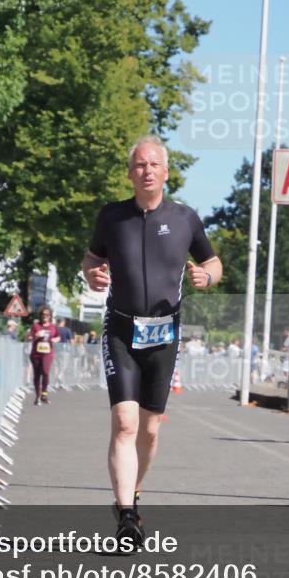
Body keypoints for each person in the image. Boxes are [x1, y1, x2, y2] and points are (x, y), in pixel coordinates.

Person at [82, 134, 222, 546]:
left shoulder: (185, 218)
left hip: (164, 334)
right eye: (139, 165)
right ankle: (126, 514)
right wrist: (92, 274)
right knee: (125, 423)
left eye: (154, 164)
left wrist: (207, 276)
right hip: (121, 329)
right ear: (130, 173)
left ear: (166, 172)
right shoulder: (112, 216)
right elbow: (92, 258)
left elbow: (213, 261)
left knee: (149, 431)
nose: (147, 171)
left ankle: (134, 491)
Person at [27, 307, 60, 405]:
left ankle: (44, 394)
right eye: (43, 314)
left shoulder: (53, 327)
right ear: (40, 315)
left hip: (48, 353)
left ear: (50, 316)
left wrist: (55, 340)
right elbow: (29, 338)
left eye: (47, 315)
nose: (45, 316)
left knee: (45, 372)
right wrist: (36, 336)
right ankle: (37, 396)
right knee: (37, 374)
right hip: (36, 354)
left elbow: (58, 337)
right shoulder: (36, 326)